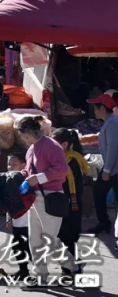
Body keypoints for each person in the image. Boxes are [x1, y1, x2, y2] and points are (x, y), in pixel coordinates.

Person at [17, 115, 75, 286]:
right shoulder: (32, 149)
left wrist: (39, 178)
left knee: (48, 239)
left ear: (30, 131)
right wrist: (18, 177)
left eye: (25, 136)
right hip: (34, 198)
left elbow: (62, 170)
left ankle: (65, 267)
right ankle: (44, 274)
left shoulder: (51, 145)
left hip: (51, 197)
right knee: (35, 237)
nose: (24, 140)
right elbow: (28, 172)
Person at [51, 128, 89, 275]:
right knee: (63, 235)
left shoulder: (72, 161)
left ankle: (69, 270)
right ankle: (73, 265)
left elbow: (71, 185)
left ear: (64, 144)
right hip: (63, 203)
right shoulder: (61, 158)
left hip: (70, 203)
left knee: (68, 236)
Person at [86, 92, 118, 234]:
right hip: (112, 169)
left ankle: (105, 223)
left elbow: (113, 148)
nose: (94, 111)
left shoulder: (112, 124)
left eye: (96, 108)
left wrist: (107, 170)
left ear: (103, 109)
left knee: (99, 192)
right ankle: (104, 222)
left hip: (113, 170)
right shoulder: (110, 122)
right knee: (98, 192)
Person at [6, 152, 31, 278]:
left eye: (14, 164)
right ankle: (23, 270)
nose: (10, 167)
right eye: (9, 164)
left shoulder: (25, 179)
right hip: (16, 218)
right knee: (17, 245)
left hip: (27, 218)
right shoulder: (8, 178)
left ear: (23, 165)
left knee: (28, 246)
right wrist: (8, 216)